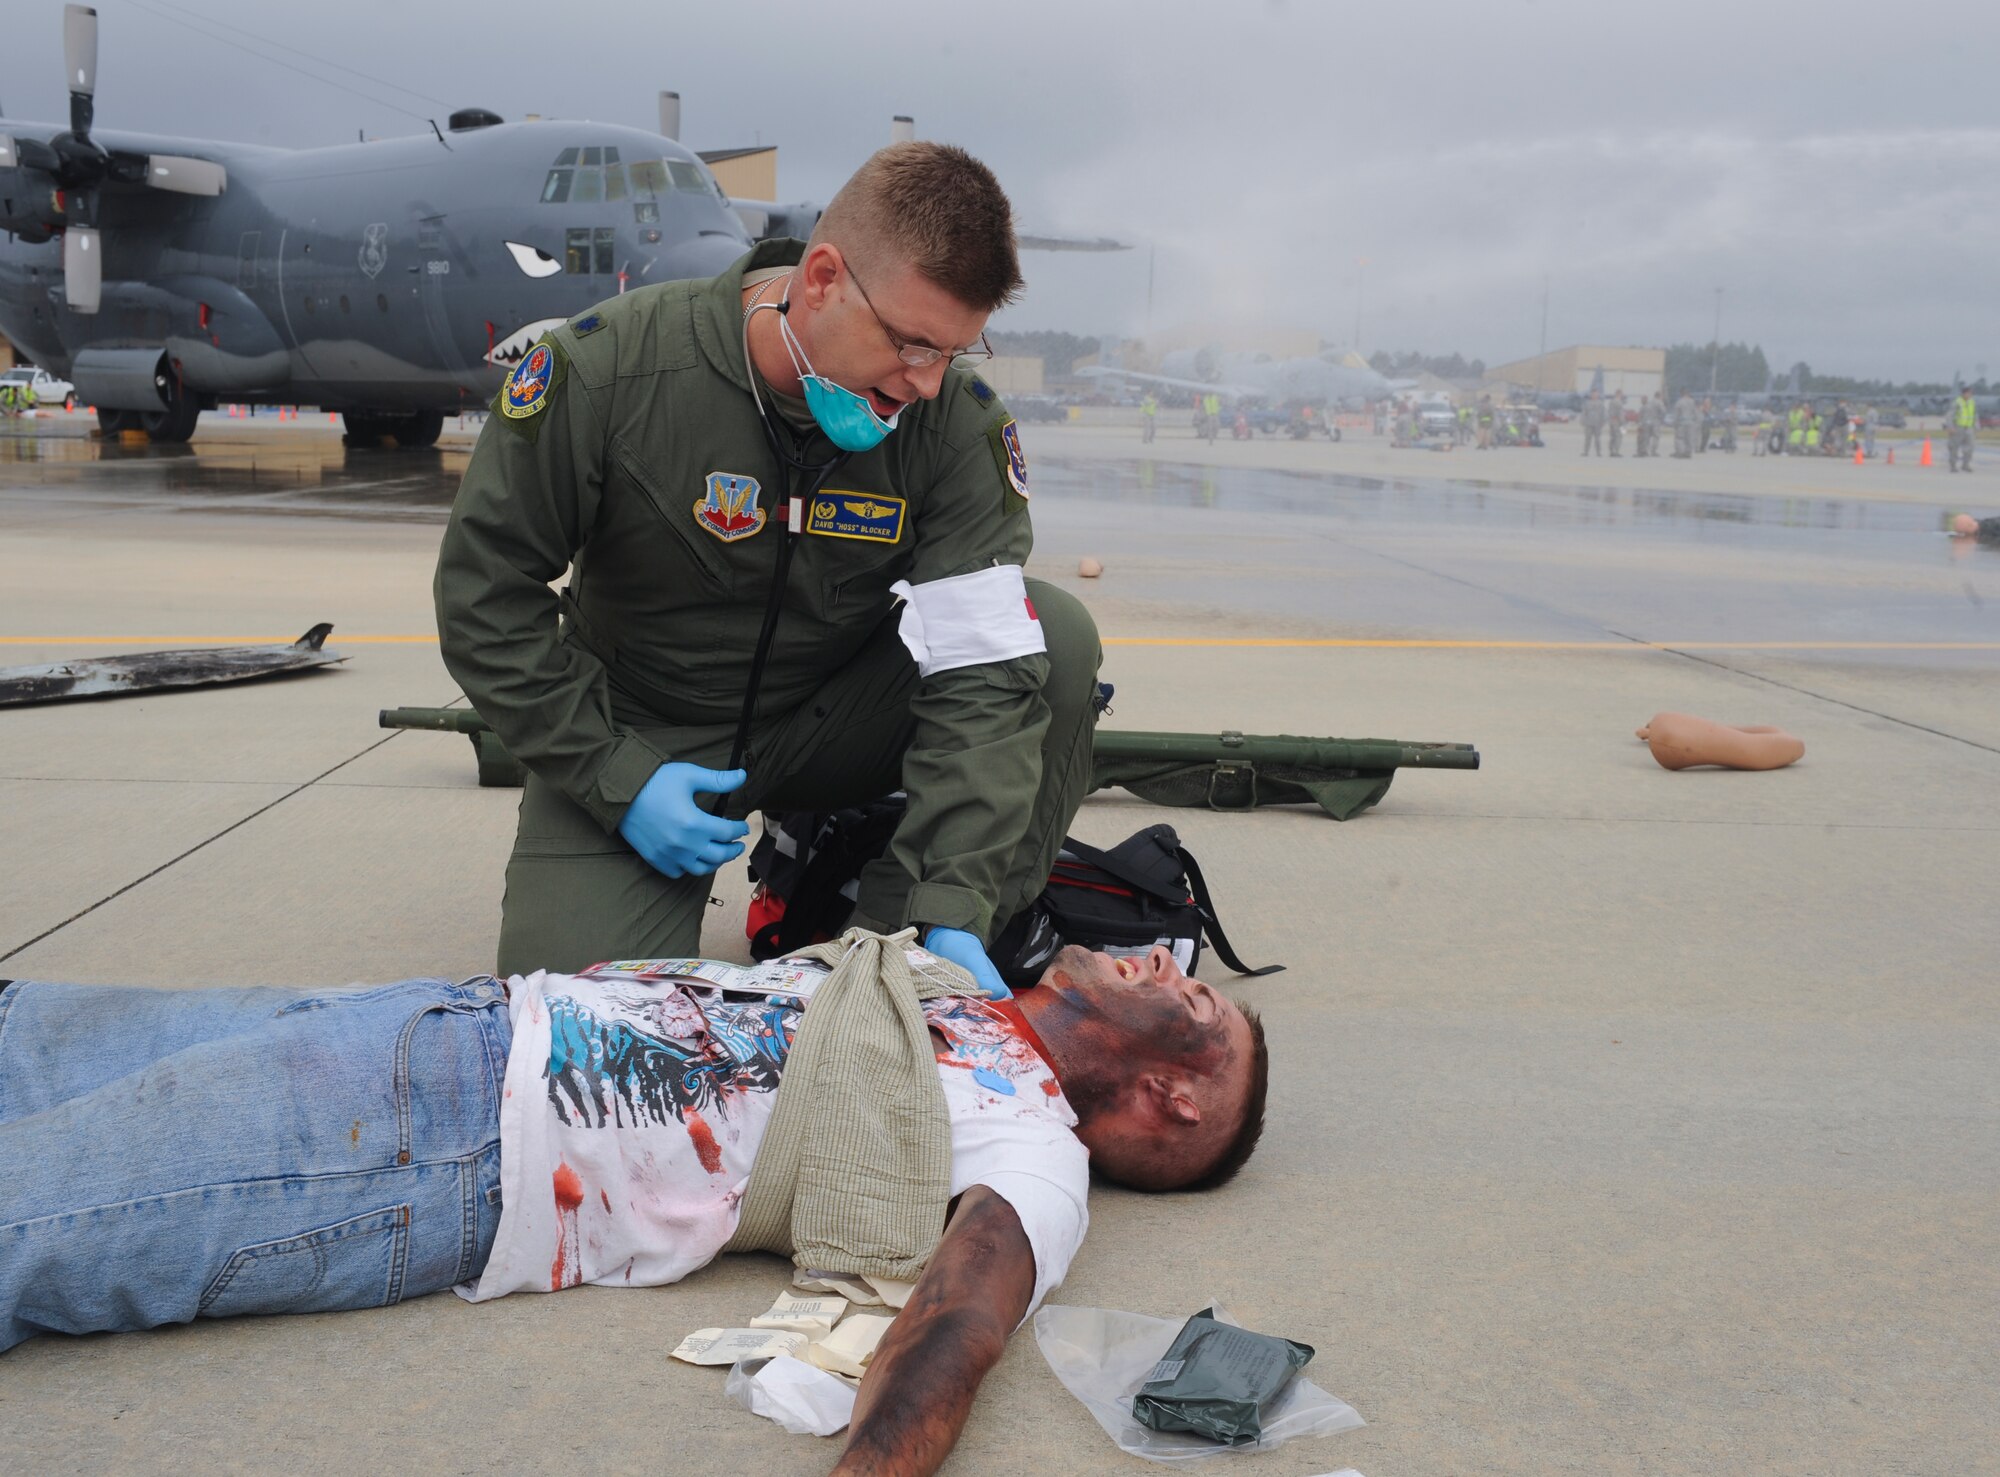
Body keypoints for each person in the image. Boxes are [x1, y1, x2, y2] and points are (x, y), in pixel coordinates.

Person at [0, 939, 1267, 1474]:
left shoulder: (1031, 1142)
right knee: (29, 1038)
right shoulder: (954, 995)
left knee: (30, 1210)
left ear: (1166, 1099)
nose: (1167, 959)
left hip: (435, 1147)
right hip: (447, 1015)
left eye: (1193, 998)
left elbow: (959, 1320)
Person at [434, 144, 1100, 998]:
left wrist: (954, 907)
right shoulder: (611, 373)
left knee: (1055, 638)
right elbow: (485, 599)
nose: (928, 384)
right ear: (820, 278)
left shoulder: (953, 430)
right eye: (913, 345)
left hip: (836, 715)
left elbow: (986, 677)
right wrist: (617, 776)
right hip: (646, 728)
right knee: (579, 1031)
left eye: (956, 353)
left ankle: (886, 947)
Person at [1948, 387, 1977, 472]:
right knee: (1954, 447)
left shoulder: (1972, 402)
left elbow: (1974, 415)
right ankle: (1953, 466)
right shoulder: (1957, 402)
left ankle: (1965, 465)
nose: (1970, 395)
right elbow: (1950, 415)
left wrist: (1976, 427)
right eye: (1968, 393)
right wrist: (1950, 427)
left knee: (1970, 447)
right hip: (1958, 428)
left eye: (1971, 393)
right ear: (1964, 393)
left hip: (1969, 428)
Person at [1672, 392, 1697, 457]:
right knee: (1689, 438)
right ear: (1688, 395)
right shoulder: (1692, 402)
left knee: (1680, 438)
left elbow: (1676, 414)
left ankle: (1681, 452)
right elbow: (1695, 412)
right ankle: (1688, 453)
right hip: (1690, 423)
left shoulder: (1679, 402)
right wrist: (1695, 422)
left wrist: (1675, 424)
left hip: (1681, 422)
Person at [1580, 390, 1605, 456]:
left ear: (1598, 395)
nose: (1594, 396)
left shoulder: (1601, 404)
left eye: (1595, 394)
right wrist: (1583, 421)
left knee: (1597, 439)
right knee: (1588, 438)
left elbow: (1603, 413)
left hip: (1597, 423)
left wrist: (1603, 422)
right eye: (1593, 394)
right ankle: (1586, 452)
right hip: (1589, 423)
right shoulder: (1587, 403)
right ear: (1591, 395)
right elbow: (1584, 413)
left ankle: (1598, 452)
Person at [1607, 390, 1626, 456]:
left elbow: (1609, 412)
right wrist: (1623, 424)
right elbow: (1621, 414)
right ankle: (1616, 451)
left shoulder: (1611, 402)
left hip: (1612, 422)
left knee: (1612, 436)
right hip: (1618, 422)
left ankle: (1611, 451)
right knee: (1619, 436)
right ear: (1619, 394)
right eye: (1621, 394)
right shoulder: (1619, 403)